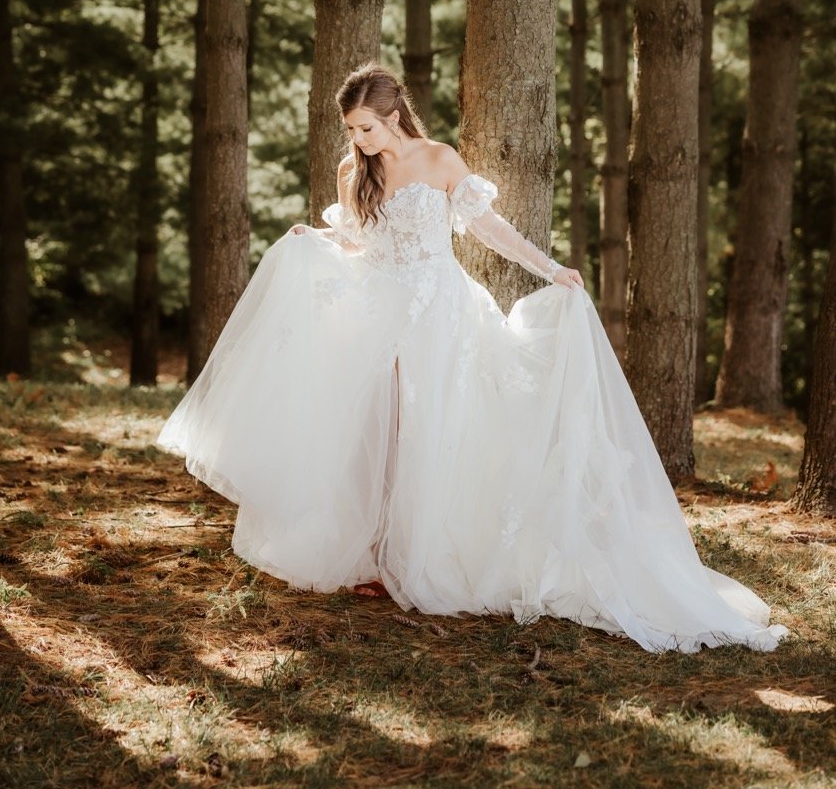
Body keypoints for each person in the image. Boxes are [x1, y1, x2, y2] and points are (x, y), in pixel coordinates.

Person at [159, 62, 788, 653]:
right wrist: (315, 240)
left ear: (395, 114)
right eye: (351, 130)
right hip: (380, 315)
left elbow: (489, 228)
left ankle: (427, 554)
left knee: (439, 431)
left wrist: (548, 268)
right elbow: (359, 243)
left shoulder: (439, 160)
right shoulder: (357, 173)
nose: (360, 139)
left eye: (367, 127)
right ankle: (377, 554)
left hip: (443, 316)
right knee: (380, 433)